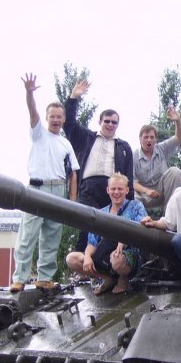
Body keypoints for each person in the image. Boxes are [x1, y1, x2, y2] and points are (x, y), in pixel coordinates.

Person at [10, 73, 80, 293]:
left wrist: (72, 200)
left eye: (59, 117)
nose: (56, 120)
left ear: (64, 119)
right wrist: (29, 94)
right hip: (37, 188)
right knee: (28, 235)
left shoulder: (65, 143)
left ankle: (45, 277)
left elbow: (73, 173)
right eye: (52, 116)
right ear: (47, 118)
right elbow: (33, 113)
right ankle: (20, 278)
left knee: (51, 236)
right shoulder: (39, 133)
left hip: (58, 189)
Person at [64, 80, 134, 252]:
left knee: (111, 229)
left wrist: (129, 202)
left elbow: (128, 177)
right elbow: (69, 124)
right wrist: (73, 98)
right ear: (100, 122)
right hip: (88, 188)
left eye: (114, 122)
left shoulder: (124, 147)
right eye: (107, 121)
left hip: (113, 190)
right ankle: (81, 262)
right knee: (86, 226)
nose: (110, 125)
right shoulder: (86, 138)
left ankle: (105, 264)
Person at [65, 173, 147, 295]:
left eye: (120, 189)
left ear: (126, 190)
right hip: (103, 256)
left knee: (117, 259)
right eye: (113, 189)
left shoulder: (135, 206)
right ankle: (107, 278)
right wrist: (87, 257)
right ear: (108, 190)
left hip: (127, 256)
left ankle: (123, 279)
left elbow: (141, 228)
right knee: (72, 259)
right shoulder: (101, 213)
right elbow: (92, 242)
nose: (116, 192)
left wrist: (123, 242)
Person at [133, 107, 181, 212]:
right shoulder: (134, 156)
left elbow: (178, 137)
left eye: (152, 137)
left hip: (162, 192)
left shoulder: (161, 148)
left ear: (155, 139)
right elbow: (132, 182)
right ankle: (137, 219)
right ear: (140, 139)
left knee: (175, 171)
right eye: (146, 137)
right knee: (129, 193)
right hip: (143, 195)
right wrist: (146, 191)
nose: (149, 140)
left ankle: (169, 215)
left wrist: (178, 120)